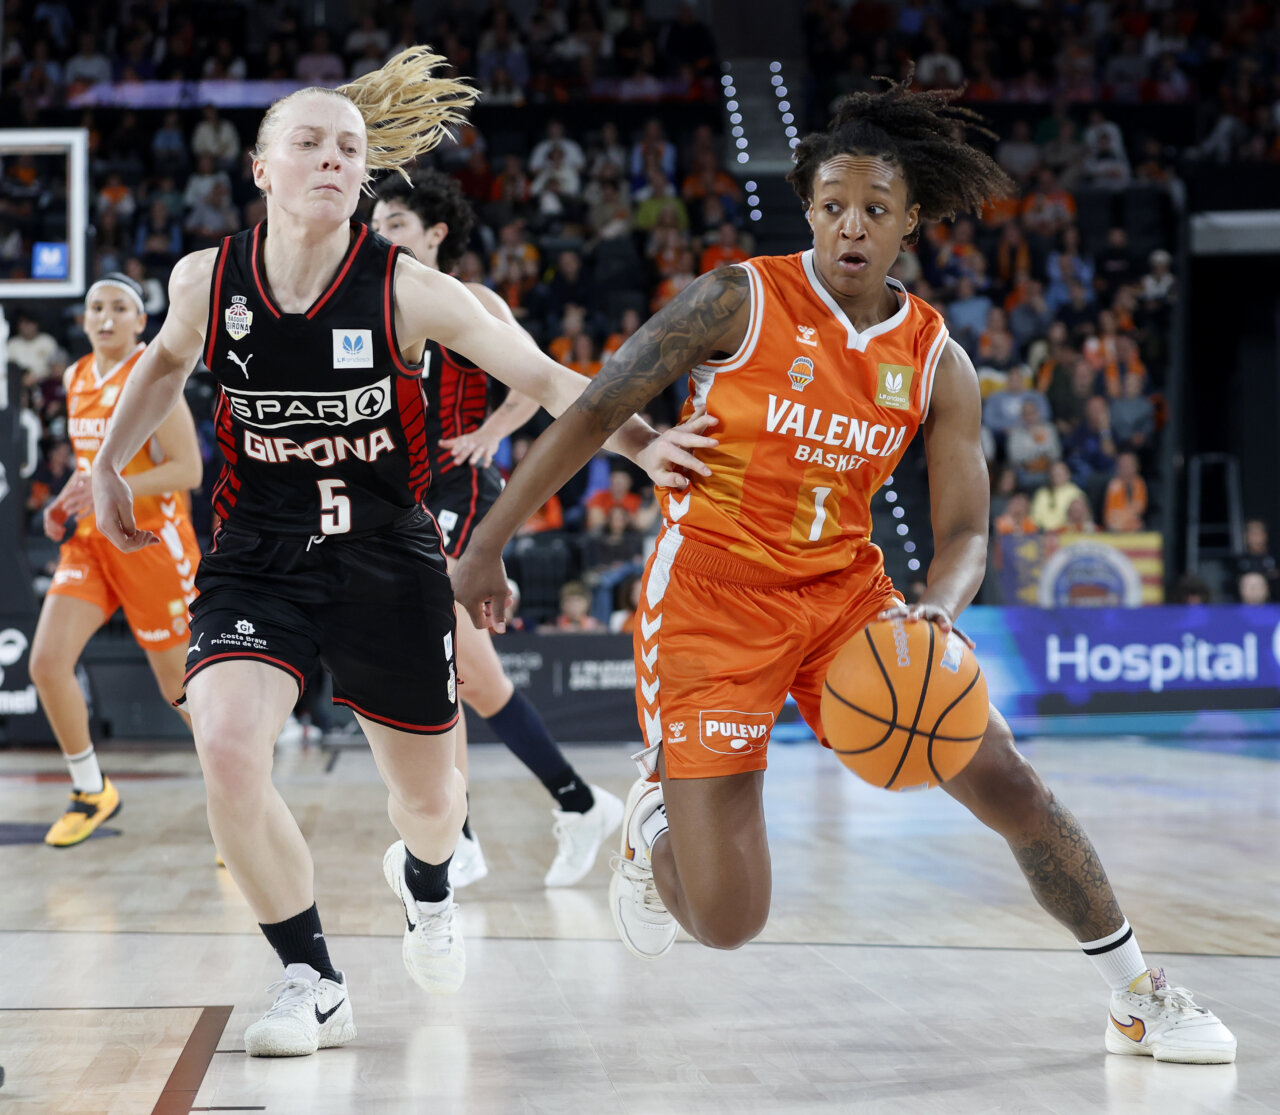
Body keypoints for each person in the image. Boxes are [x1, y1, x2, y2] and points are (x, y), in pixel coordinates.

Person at [453, 79, 1236, 1066]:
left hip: (844, 596)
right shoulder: (736, 299)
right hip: (712, 598)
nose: (850, 226)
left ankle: (1136, 994)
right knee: (728, 920)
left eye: (874, 207)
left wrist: (938, 609)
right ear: (810, 209)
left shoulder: (937, 358)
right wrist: (488, 543)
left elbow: (966, 530)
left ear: (911, 218)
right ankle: (652, 825)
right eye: (832, 205)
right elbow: (596, 406)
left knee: (1008, 778)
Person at [91, 48, 713, 1060]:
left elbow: (547, 378)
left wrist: (643, 446)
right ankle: (312, 976)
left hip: (385, 556)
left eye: (349, 148)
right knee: (229, 749)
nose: (334, 159)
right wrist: (108, 462)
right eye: (310, 143)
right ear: (261, 167)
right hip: (256, 556)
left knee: (431, 805)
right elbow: (164, 362)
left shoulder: (410, 291)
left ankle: (426, 880)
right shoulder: (207, 280)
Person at [370, 170, 626, 891]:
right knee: (475, 680)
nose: (381, 237)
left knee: (433, 660)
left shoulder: (472, 299)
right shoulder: (379, 303)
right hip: (410, 495)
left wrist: (492, 431)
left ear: (435, 234)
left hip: (463, 490)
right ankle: (580, 804)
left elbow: (536, 380)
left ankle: (459, 839)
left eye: (395, 225)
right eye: (376, 227)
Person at [30, 272, 202, 846]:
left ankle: (242, 797)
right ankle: (90, 790)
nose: (105, 318)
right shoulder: (76, 375)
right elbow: (89, 468)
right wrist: (65, 501)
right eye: (96, 308)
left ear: (141, 321)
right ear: (82, 321)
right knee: (47, 663)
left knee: (180, 690)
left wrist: (109, 485)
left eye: (118, 308)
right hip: (93, 540)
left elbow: (188, 470)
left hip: (151, 542)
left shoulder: (152, 374)